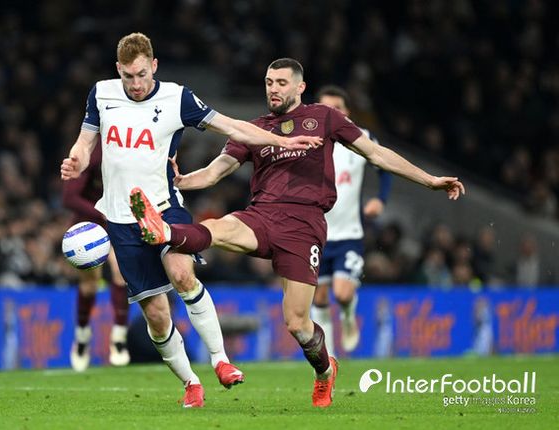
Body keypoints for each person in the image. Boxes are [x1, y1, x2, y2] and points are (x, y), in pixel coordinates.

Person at [129, 58, 465, 408]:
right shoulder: (255, 129)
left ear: (300, 87)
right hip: (261, 215)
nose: (273, 89)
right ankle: (164, 230)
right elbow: (216, 171)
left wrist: (429, 180)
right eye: (268, 82)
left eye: (281, 83)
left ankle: (325, 371)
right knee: (216, 227)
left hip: (304, 226)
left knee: (297, 323)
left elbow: (376, 154)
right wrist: (184, 180)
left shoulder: (324, 117)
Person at [60, 35, 322, 408]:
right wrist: (77, 160)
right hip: (119, 220)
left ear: (154, 65)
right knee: (156, 315)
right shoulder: (102, 93)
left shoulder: (176, 98)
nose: (136, 84)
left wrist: (282, 142)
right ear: (118, 70)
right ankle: (191, 383)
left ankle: (220, 360)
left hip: (163, 207)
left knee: (183, 274)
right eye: (128, 76)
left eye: (141, 74)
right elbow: (85, 143)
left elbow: (231, 126)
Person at [310, 85, 393, 357]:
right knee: (319, 297)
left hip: (349, 234)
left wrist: (380, 199)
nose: (332, 113)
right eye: (326, 108)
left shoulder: (362, 139)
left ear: (347, 112)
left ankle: (347, 316)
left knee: (343, 294)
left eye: (337, 108)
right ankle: (329, 356)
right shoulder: (307, 143)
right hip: (316, 236)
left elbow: (385, 167)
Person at [62, 143, 131, 372]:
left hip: (117, 221)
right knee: (90, 285)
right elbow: (69, 198)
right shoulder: (89, 154)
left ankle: (119, 337)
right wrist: (101, 213)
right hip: (88, 225)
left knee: (121, 273)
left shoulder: (131, 150)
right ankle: (82, 336)